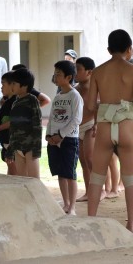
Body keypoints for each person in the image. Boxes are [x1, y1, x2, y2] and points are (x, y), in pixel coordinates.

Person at [87, 29, 133, 232]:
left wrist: (106, 107)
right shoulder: (132, 70)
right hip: (127, 127)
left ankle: (90, 222)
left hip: (105, 127)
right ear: (129, 49)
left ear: (108, 49)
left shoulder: (97, 71)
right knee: (130, 178)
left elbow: (90, 106)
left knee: (96, 176)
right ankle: (131, 224)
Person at [46, 60, 83, 215]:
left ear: (68, 77)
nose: (55, 77)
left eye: (58, 74)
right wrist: (48, 135)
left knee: (70, 174)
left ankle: (72, 207)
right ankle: (66, 204)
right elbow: (52, 118)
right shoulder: (58, 96)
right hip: (54, 140)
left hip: (69, 140)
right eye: (55, 74)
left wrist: (61, 135)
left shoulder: (75, 96)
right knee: (60, 173)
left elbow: (76, 119)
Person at [4, 68, 42, 178]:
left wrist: (36, 149)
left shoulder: (32, 100)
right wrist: (10, 149)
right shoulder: (15, 102)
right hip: (17, 148)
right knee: (22, 180)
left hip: (30, 148)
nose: (12, 86)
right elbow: (13, 128)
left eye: (14, 83)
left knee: (34, 181)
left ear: (24, 86)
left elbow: (37, 125)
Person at [74, 57, 98, 202]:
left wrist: (97, 124)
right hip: (79, 127)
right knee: (83, 160)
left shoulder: (97, 88)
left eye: (78, 69)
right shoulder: (75, 89)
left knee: (90, 159)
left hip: (91, 125)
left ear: (89, 72)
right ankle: (89, 192)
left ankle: (99, 190)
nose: (76, 72)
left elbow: (101, 106)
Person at [0, 71, 17, 175]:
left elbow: (13, 122)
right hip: (5, 140)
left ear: (12, 85)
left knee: (14, 169)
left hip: (12, 140)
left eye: (3, 84)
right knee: (10, 165)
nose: (1, 87)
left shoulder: (16, 101)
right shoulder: (6, 102)